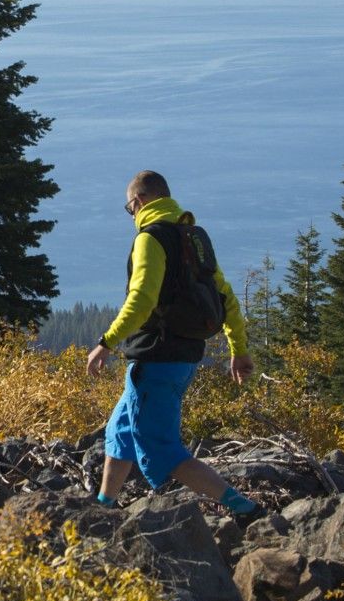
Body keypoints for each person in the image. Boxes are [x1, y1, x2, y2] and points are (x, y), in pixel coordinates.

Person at [84, 171, 263, 521]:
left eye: (129, 208)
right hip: (184, 358)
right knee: (120, 431)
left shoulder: (150, 239)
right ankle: (103, 507)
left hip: (156, 358)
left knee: (161, 448)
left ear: (140, 202)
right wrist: (238, 349)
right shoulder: (192, 238)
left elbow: (142, 300)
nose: (131, 215)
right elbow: (225, 297)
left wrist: (106, 343)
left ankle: (244, 507)